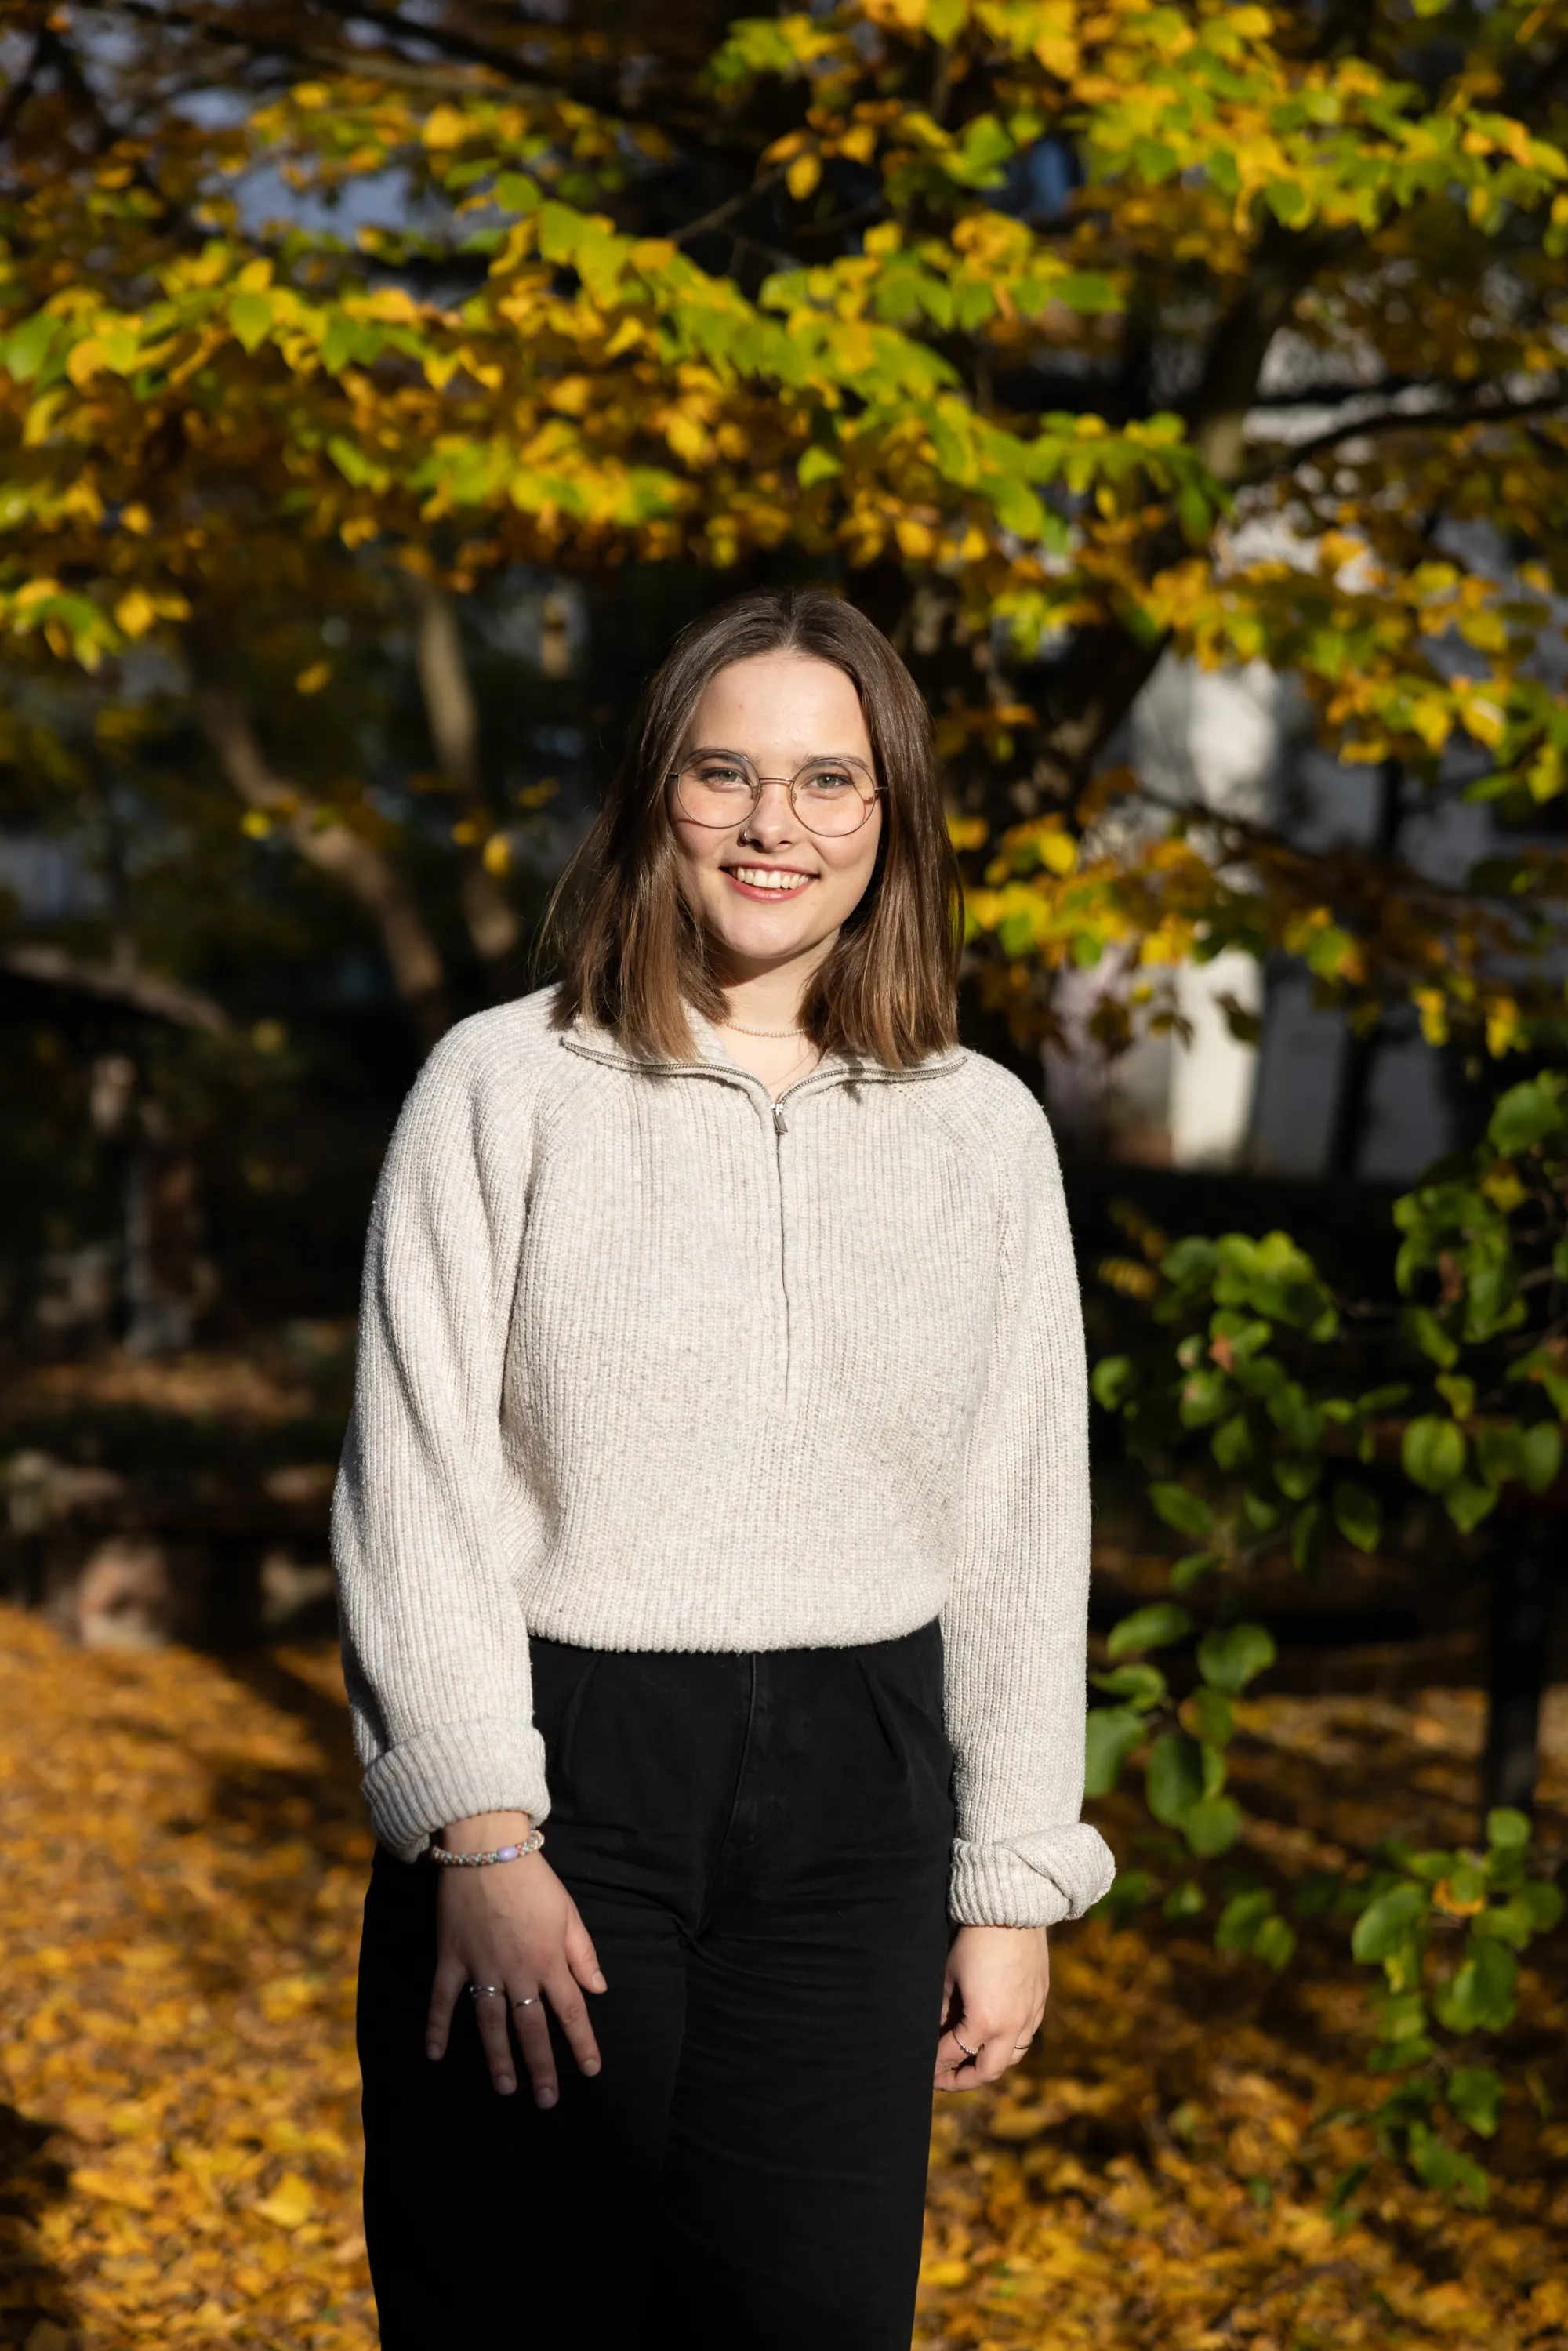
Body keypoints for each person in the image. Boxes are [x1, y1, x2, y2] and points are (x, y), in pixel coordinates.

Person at [333, 588, 1114, 2350]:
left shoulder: (983, 1129)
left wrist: (1009, 1877)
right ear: (652, 796)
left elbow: (1015, 1517)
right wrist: (480, 1828)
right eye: (728, 774)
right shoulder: (501, 1084)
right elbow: (417, 1469)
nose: (778, 824)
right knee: (518, 2309)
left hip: (862, 1803)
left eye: (832, 781)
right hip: (558, 1783)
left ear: (890, 818)